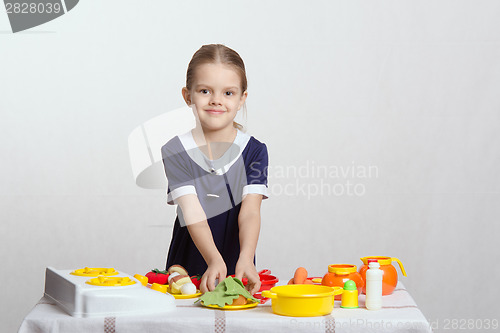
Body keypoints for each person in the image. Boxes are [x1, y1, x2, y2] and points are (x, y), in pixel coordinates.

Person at [161, 44, 268, 294]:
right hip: (189, 267)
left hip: (237, 265)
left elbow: (251, 211)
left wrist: (246, 257)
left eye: (228, 93)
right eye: (205, 90)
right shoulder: (176, 150)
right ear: (188, 96)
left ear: (242, 98)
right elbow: (191, 210)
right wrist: (213, 260)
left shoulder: (254, 150)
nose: (216, 100)